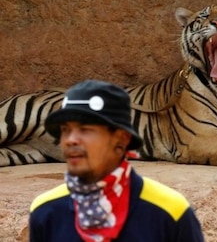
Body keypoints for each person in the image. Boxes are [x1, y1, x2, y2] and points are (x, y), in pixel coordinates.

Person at [29, 80, 205, 242]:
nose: (70, 140)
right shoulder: (45, 211)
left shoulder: (171, 211)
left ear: (121, 140)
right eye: (65, 130)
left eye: (85, 129)